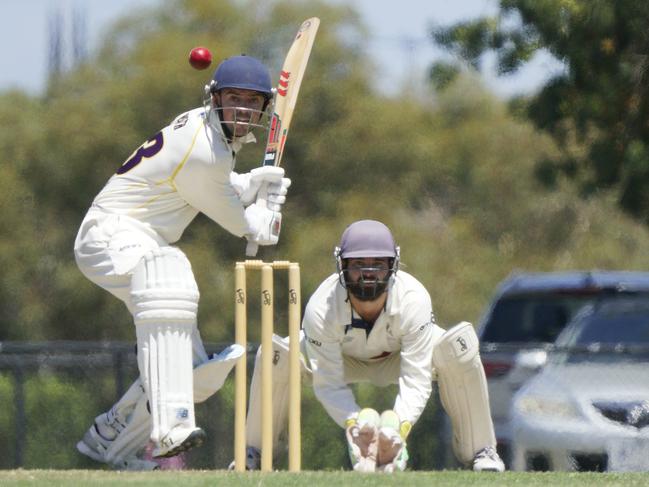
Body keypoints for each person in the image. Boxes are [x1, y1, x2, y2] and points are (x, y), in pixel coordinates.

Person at [74, 54, 291, 470]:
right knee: (170, 275)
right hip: (111, 234)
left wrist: (249, 185)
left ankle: (110, 440)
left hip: (136, 237)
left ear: (264, 108)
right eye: (234, 98)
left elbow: (205, 185)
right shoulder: (205, 151)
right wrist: (260, 223)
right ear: (216, 99)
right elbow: (239, 222)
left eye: (252, 101)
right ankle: (170, 429)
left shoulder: (207, 137)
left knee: (192, 374)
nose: (243, 109)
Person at [238, 219, 505, 472]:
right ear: (341, 265)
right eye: (358, 264)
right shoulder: (322, 307)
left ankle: (481, 450)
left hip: (396, 358)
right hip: (343, 361)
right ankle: (256, 452)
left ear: (393, 265)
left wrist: (397, 429)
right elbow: (328, 382)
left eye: (377, 264)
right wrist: (356, 425)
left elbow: (416, 380)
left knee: (460, 348)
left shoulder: (413, 299)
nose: (367, 274)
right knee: (274, 354)